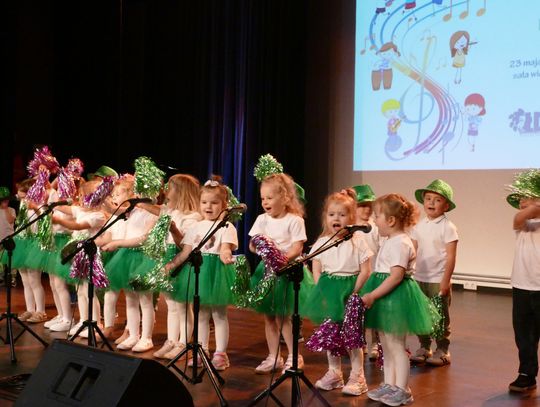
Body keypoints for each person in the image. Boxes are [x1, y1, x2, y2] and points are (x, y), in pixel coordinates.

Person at [361, 193, 440, 406]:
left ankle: (403, 389)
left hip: (395, 297)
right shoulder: (390, 240)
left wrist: (372, 295)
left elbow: (396, 276)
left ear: (390, 220)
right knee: (386, 345)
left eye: (377, 216)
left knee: (396, 345)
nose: (374, 220)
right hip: (385, 296)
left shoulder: (401, 243)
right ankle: (390, 384)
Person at [164, 176, 238, 371]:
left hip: (216, 273)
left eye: (214, 203)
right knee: (201, 314)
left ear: (224, 205)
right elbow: (186, 252)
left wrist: (226, 256)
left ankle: (220, 354)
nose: (208, 206)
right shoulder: (196, 227)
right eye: (204, 202)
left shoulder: (227, 227)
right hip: (198, 273)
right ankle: (201, 350)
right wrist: (173, 264)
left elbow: (225, 248)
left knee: (219, 314)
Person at [305, 189, 372, 396]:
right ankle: (334, 372)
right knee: (330, 334)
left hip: (351, 288)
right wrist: (322, 291)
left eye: (342, 214)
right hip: (329, 290)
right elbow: (316, 268)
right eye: (332, 214)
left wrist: (354, 291)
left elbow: (366, 270)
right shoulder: (323, 241)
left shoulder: (358, 240)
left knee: (352, 335)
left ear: (351, 218)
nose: (336, 218)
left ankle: (358, 376)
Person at [249, 172, 313, 374]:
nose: (265, 202)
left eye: (270, 197)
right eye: (262, 198)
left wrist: (282, 259)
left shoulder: (295, 220)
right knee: (269, 316)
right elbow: (253, 243)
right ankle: (273, 356)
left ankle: (294, 356)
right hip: (267, 271)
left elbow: (297, 246)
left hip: (287, 271)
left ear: (285, 198)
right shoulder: (262, 219)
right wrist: (261, 250)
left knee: (284, 317)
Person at [147, 174, 202, 360]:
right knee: (171, 304)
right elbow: (155, 209)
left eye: (170, 188)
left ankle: (183, 343)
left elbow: (185, 244)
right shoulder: (170, 211)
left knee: (183, 305)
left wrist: (174, 229)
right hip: (166, 258)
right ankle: (171, 340)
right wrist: (138, 203)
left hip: (181, 261)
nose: (166, 192)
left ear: (181, 192)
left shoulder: (193, 217)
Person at [101, 180, 159, 352]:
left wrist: (118, 243)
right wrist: (103, 195)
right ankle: (133, 334)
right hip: (126, 257)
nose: (138, 196)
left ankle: (146, 338)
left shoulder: (154, 214)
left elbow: (144, 239)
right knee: (130, 298)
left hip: (142, 258)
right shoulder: (133, 211)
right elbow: (114, 210)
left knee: (145, 301)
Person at [409, 179, 458, 366]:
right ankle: (424, 346)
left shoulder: (448, 227)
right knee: (421, 313)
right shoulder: (419, 225)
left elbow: (451, 256)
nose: (431, 202)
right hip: (419, 277)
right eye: (428, 198)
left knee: (440, 315)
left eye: (437, 200)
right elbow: (413, 250)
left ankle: (443, 349)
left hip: (438, 278)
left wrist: (446, 280)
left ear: (446, 206)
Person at [52, 179, 109, 339]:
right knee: (81, 290)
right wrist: (53, 200)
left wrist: (59, 221)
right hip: (78, 253)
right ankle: (84, 320)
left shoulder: (98, 216)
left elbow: (79, 226)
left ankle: (96, 322)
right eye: (80, 196)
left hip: (90, 254)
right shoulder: (80, 210)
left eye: (84, 196)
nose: (81, 199)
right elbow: (64, 207)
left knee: (89, 291)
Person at [506, 169, 540, 392]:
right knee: (524, 334)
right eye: (520, 198)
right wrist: (533, 206)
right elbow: (518, 219)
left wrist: (535, 203)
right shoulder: (524, 224)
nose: (521, 202)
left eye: (526, 196)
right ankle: (527, 373)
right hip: (522, 285)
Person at [353, 184, 384, 361]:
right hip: (356, 276)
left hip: (372, 275)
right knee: (357, 312)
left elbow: (382, 248)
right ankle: (361, 342)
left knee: (373, 312)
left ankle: (375, 344)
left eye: (369, 206)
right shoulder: (350, 228)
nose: (366, 209)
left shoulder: (375, 227)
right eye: (362, 205)